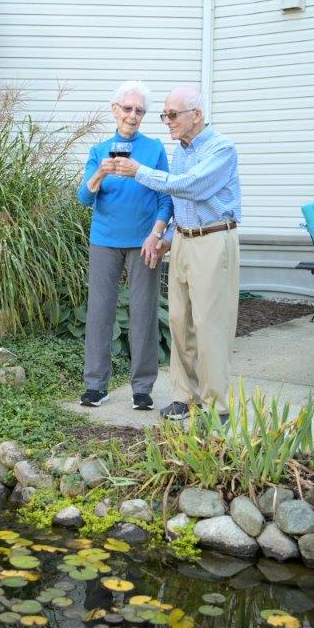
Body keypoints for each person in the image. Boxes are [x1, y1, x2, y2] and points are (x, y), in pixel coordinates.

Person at [113, 86, 241, 421]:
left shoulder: (221, 149)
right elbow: (181, 204)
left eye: (173, 114)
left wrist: (138, 171)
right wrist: (166, 237)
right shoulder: (181, 150)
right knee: (179, 321)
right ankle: (184, 397)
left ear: (195, 115)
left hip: (213, 241)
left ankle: (216, 406)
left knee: (210, 324)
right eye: (165, 115)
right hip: (183, 240)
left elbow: (191, 187)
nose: (166, 121)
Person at [76, 81, 173, 410]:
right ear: (114, 110)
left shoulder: (154, 148)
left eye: (139, 111)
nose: (133, 115)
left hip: (144, 243)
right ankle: (95, 385)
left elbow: (166, 198)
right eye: (128, 109)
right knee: (100, 311)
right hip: (104, 240)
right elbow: (84, 198)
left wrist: (156, 235)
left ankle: (142, 388)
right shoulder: (99, 150)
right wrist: (100, 173)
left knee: (144, 313)